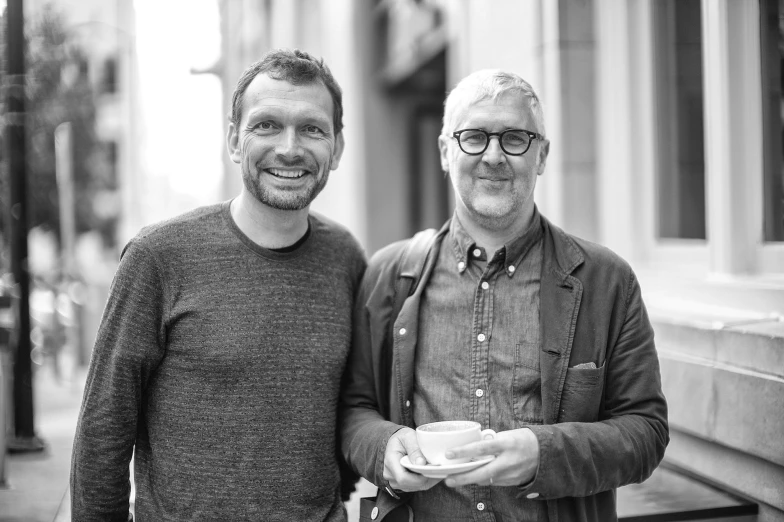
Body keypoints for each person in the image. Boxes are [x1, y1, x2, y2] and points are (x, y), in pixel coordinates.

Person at [340, 69, 669, 521]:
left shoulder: (605, 281)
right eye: (473, 137)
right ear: (444, 151)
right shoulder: (389, 276)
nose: (493, 156)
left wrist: (545, 453)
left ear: (542, 154)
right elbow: (355, 409)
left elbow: (646, 431)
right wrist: (385, 449)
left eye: (515, 138)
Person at [71, 49, 366, 521]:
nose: (289, 148)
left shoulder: (345, 257)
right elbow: (104, 430)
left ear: (337, 147)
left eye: (311, 128)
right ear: (234, 140)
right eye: (266, 124)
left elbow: (348, 405)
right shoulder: (159, 256)